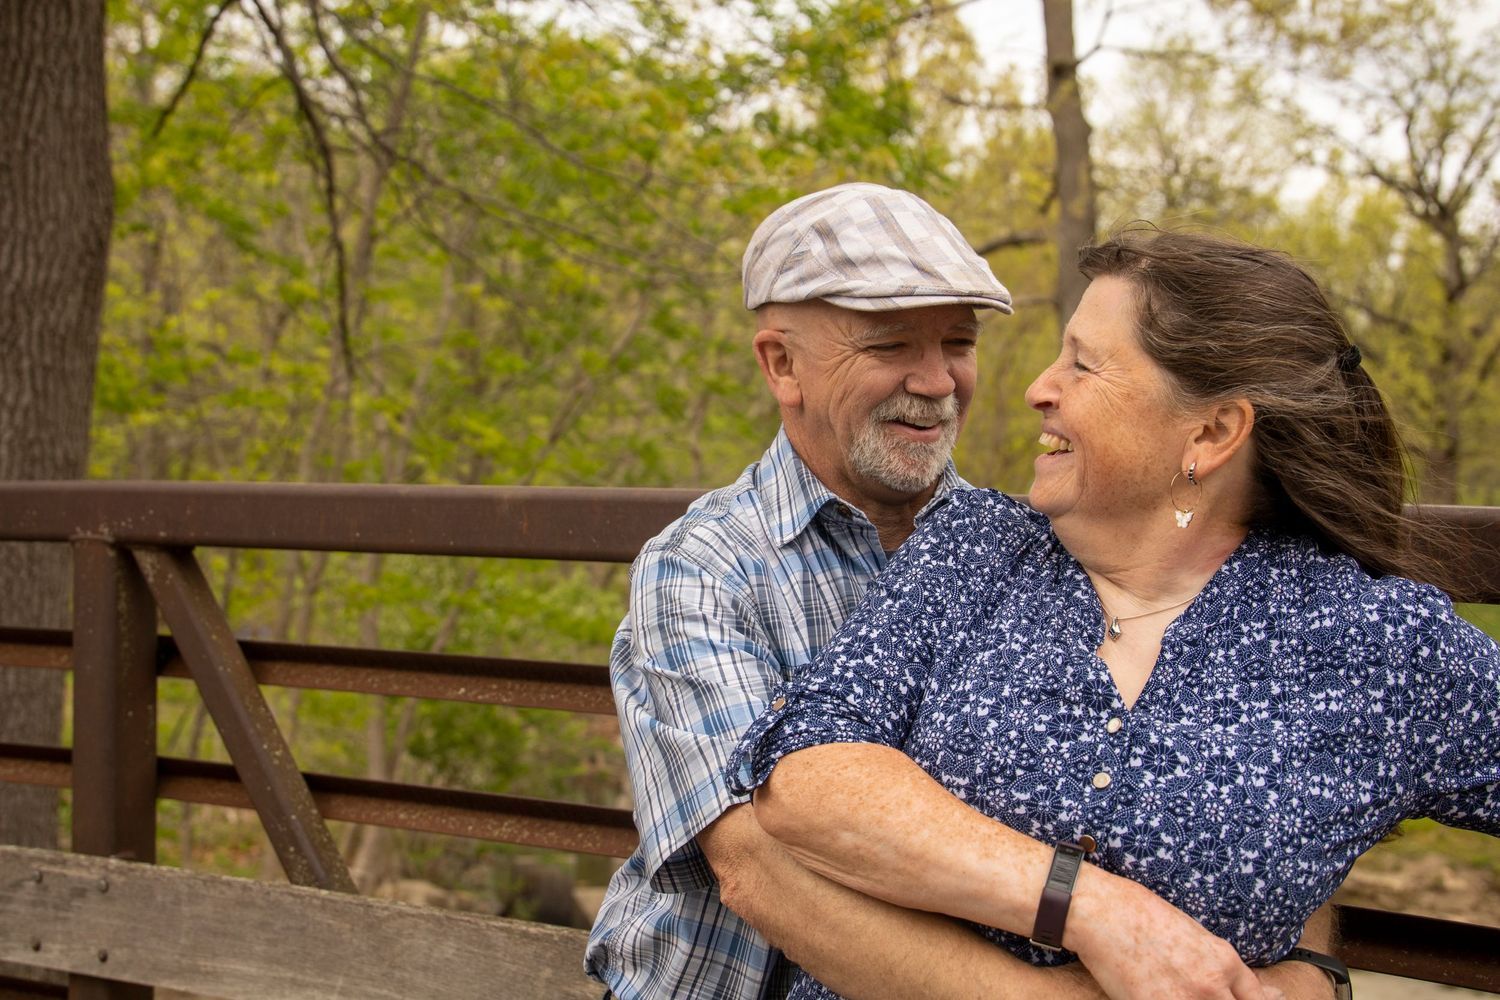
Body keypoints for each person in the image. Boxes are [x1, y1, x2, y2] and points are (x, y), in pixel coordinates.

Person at [588, 190, 1335, 1000]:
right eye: (890, 345)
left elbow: (1262, 775)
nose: (937, 380)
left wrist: (1308, 967)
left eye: (958, 342)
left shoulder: (1040, 548)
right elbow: (758, 874)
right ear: (782, 365)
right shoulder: (702, 572)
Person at [726, 227, 1500, 1000]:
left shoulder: (1379, 642)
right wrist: (1091, 908)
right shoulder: (977, 546)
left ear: (1211, 431)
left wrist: (1316, 975)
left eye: (1082, 364)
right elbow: (806, 774)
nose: (1038, 387)